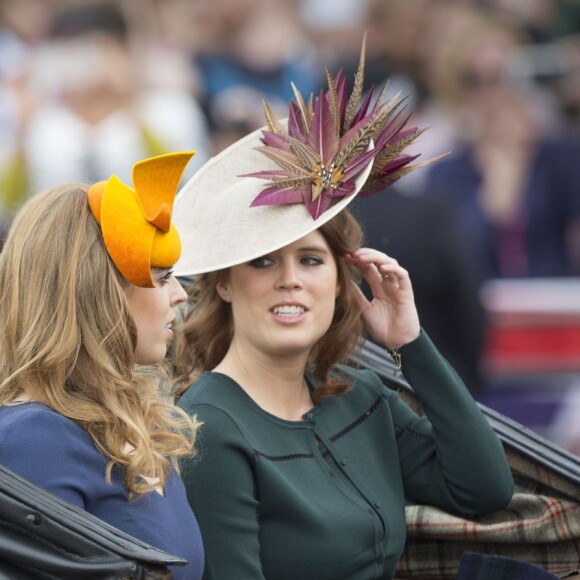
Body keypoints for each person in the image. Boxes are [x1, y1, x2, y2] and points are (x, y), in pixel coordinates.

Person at [172, 43, 514, 580]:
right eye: (262, 262)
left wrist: (411, 344)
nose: (290, 278)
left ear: (339, 281)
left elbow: (484, 488)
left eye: (310, 260)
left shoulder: (355, 391)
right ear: (225, 286)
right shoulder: (210, 427)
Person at [0, 152, 204, 579]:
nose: (180, 295)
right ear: (99, 290)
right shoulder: (36, 439)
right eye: (163, 276)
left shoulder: (125, 419)